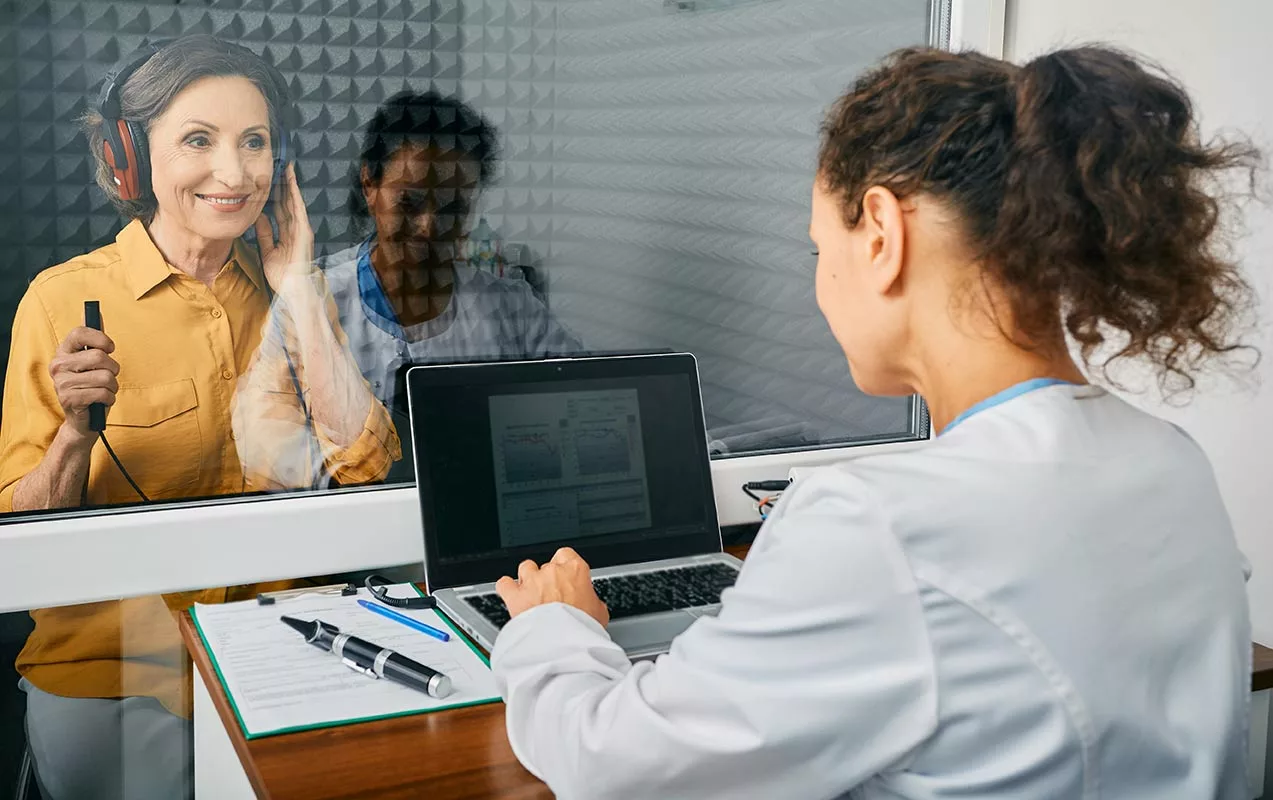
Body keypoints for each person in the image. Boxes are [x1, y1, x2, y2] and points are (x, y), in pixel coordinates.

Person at [488, 46, 1257, 798]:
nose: (820, 285)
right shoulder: (1170, 462)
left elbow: (610, 765)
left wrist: (554, 627)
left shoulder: (876, 524)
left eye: (821, 247)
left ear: (882, 236)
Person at [0, 36, 398, 799]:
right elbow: (22, 541)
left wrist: (300, 288)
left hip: (288, 644)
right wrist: (73, 438)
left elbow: (367, 471)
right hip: (114, 671)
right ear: (128, 158)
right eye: (197, 140)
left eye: (254, 142)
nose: (235, 172)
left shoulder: (290, 295)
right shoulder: (58, 301)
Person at [322, 90, 582, 477]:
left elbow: (582, 398)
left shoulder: (510, 307)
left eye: (454, 208)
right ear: (369, 186)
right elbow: (274, 454)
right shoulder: (313, 302)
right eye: (409, 203)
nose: (430, 228)